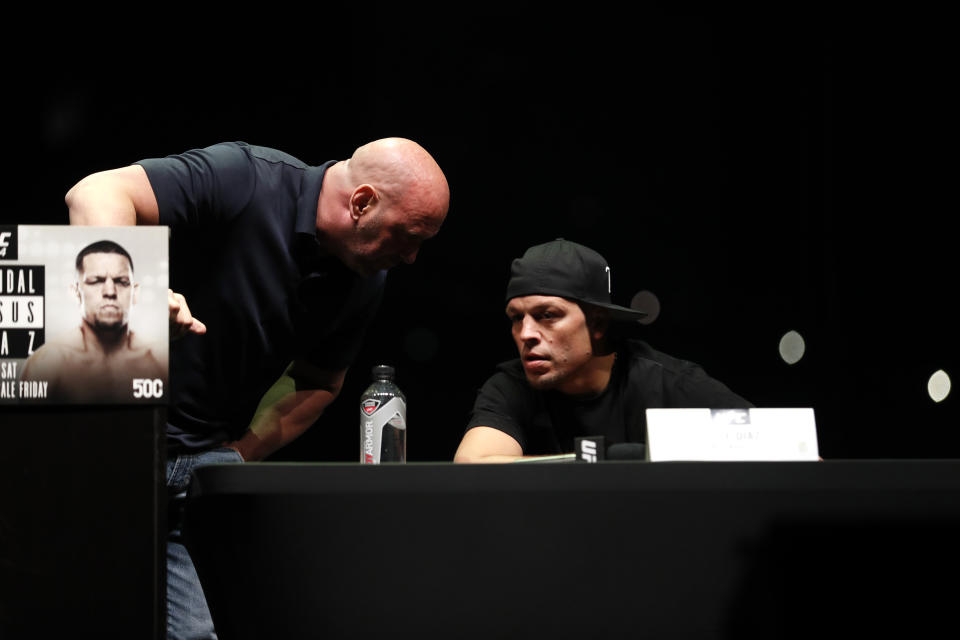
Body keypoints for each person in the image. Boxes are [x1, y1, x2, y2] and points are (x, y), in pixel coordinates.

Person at [65, 138, 450, 639]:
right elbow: (95, 191)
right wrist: (132, 287)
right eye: (408, 236)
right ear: (362, 203)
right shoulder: (247, 178)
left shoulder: (363, 279)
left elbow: (320, 383)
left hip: (190, 473)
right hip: (96, 446)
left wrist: (241, 453)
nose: (414, 257)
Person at [454, 238, 751, 463]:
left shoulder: (664, 382)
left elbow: (773, 444)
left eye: (548, 315)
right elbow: (474, 466)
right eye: (517, 317)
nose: (526, 334)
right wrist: (605, 460)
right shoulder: (512, 386)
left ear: (597, 323)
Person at [18, 239, 167, 402]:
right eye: (96, 281)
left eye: (121, 282)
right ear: (76, 293)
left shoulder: (159, 358)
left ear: (135, 293)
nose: (110, 291)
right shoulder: (48, 363)